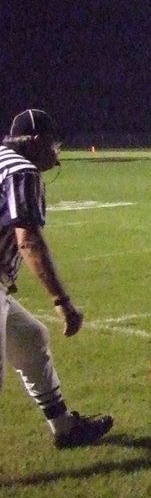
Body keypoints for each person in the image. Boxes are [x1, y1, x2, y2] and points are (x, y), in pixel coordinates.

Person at [0, 109, 112, 448]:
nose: (57, 150)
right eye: (52, 142)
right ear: (35, 142)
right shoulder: (22, 171)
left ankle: (65, 427)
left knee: (31, 338)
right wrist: (61, 301)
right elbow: (28, 239)